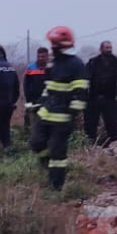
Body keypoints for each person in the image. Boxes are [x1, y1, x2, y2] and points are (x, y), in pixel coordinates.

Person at [30, 27, 88, 191]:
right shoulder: (53, 64)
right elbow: (48, 88)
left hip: (62, 118)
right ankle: (48, 166)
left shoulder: (76, 65)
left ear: (64, 45)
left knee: (57, 153)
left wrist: (71, 116)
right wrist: (38, 104)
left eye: (55, 44)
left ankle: (56, 186)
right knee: (36, 143)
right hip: (46, 114)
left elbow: (80, 95)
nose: (52, 47)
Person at [84, 41, 117, 145]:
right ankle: (90, 145)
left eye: (110, 47)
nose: (109, 50)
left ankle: (116, 146)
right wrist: (85, 97)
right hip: (94, 98)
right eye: (107, 47)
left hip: (110, 99)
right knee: (91, 124)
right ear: (101, 49)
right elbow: (85, 79)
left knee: (113, 124)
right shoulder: (93, 62)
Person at [23, 47, 49, 131]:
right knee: (30, 120)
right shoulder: (31, 67)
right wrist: (28, 100)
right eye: (39, 56)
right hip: (33, 100)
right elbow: (26, 84)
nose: (40, 58)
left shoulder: (51, 68)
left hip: (47, 101)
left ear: (47, 57)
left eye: (43, 56)